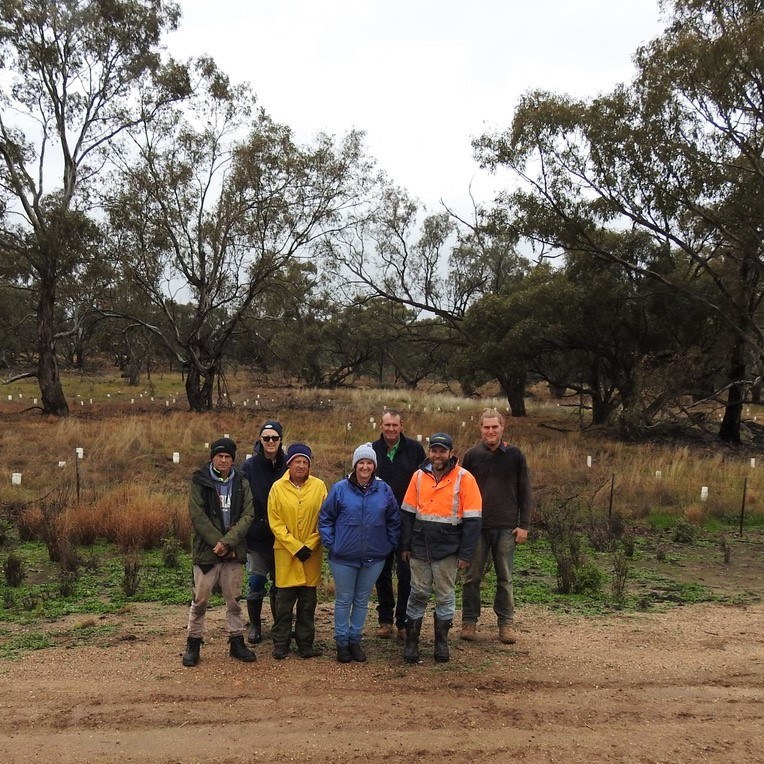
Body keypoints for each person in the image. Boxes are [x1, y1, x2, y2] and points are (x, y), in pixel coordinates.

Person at [400, 432, 482, 663]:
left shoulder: (464, 478)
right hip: (419, 546)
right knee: (418, 593)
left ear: (451, 453)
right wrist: (404, 545)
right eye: (434, 450)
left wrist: (466, 553)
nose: (438, 455)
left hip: (448, 548)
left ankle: (441, 643)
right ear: (429, 452)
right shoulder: (418, 476)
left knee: (445, 596)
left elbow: (473, 520)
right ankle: (412, 642)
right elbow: (407, 514)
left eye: (442, 451)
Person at [319, 443, 401, 663]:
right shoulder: (340, 489)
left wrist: (389, 543)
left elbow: (394, 519)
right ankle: (341, 642)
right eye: (361, 463)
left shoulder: (384, 490)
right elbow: (325, 518)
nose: (365, 467)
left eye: (369, 463)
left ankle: (355, 639)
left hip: (374, 557)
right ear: (355, 465)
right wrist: (331, 543)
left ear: (374, 466)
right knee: (344, 599)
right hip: (343, 557)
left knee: (362, 600)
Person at [182, 437, 256, 667]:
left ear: (233, 460)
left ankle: (236, 641)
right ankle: (193, 642)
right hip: (207, 551)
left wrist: (229, 543)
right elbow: (198, 515)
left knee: (234, 599)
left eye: (228, 457)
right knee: (200, 600)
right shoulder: (200, 481)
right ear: (212, 457)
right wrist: (218, 543)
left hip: (234, 551)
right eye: (219, 456)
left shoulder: (242, 482)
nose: (223, 460)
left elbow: (248, 515)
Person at [461, 409, 532, 645]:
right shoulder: (472, 455)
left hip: (506, 527)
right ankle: (469, 621)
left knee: (505, 578)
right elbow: (461, 492)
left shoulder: (515, 455)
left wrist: (524, 525)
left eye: (495, 427)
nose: (490, 431)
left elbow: (525, 492)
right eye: (486, 427)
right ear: (480, 429)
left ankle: (505, 624)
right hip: (477, 526)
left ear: (503, 427)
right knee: (472, 577)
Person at [267, 443, 327, 659]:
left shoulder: (319, 486)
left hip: (311, 555)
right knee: (283, 603)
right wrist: (295, 546)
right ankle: (280, 642)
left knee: (308, 602)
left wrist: (309, 545)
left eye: (305, 462)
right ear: (289, 463)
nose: (301, 466)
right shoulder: (277, 488)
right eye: (297, 461)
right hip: (286, 553)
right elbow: (275, 522)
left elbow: (325, 520)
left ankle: (305, 642)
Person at [371, 410, 426, 640]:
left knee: (405, 573)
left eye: (395, 425)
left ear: (402, 425)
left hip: (406, 520)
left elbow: (425, 480)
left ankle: (402, 621)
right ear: (381, 426)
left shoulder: (415, 449)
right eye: (387, 425)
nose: (391, 429)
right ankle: (385, 619)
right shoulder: (372, 450)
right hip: (379, 521)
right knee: (381, 572)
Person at [240, 420, 286, 644]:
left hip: (283, 537)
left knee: (280, 583)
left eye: (274, 438)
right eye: (266, 438)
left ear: (280, 440)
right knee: (257, 581)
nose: (270, 442)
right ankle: (255, 626)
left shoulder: (288, 464)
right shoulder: (249, 467)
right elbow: (243, 499)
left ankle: (280, 625)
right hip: (257, 535)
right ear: (260, 440)